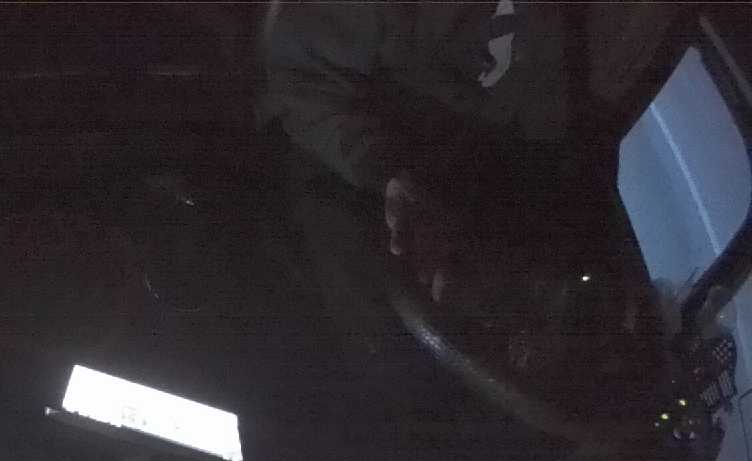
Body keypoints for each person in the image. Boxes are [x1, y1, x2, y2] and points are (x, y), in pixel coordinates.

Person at [260, 2, 680, 308]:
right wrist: (385, 170)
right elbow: (301, 84)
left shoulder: (629, 26)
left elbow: (582, 146)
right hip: (373, 196)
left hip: (503, 218)